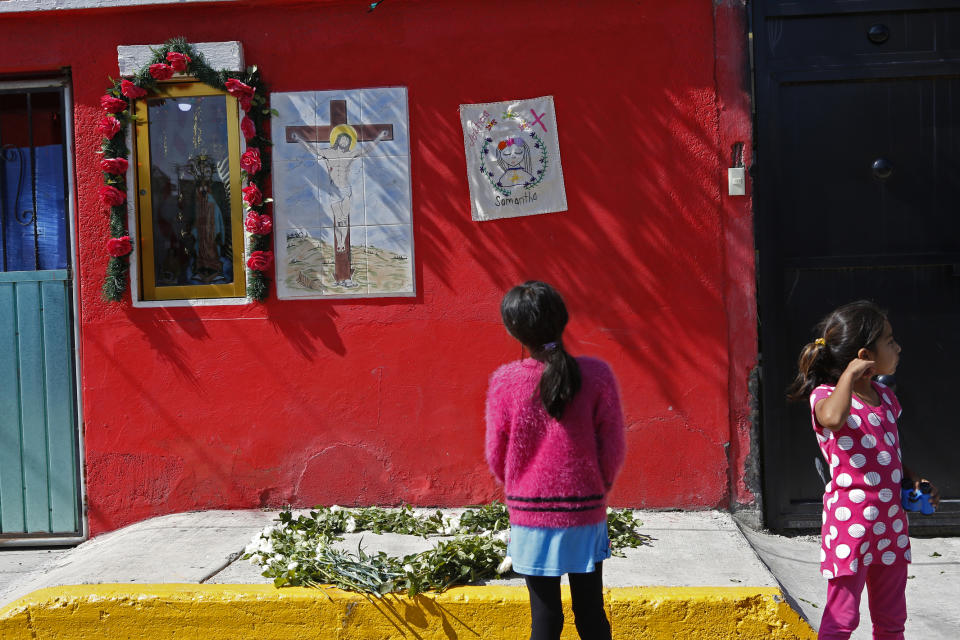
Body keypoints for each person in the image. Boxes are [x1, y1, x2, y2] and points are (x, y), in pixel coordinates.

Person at [787, 300, 940, 640]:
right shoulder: (826, 396)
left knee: (892, 618)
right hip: (851, 526)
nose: (897, 347)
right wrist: (850, 376)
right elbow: (832, 419)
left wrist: (911, 477)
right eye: (889, 340)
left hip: (890, 524)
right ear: (864, 355)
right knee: (841, 619)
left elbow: (887, 453)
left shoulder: (886, 397)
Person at [485, 281, 625, 640]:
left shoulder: (505, 382)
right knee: (591, 614)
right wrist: (597, 487)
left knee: (545, 621)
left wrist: (519, 488)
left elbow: (496, 457)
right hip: (585, 512)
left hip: (530, 516)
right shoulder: (598, 375)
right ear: (562, 319)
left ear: (512, 328)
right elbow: (612, 448)